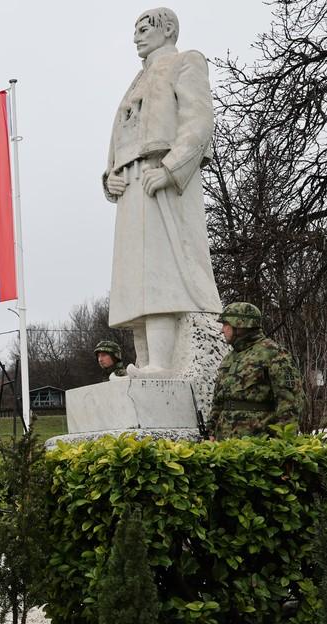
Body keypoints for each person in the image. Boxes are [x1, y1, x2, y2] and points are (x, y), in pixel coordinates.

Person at [102, 8, 221, 374]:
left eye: (143, 29)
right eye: (134, 30)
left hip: (161, 179)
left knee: (162, 274)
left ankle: (165, 364)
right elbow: (122, 137)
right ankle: (149, 361)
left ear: (167, 29)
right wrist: (109, 177)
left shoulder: (186, 62)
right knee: (134, 282)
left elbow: (199, 123)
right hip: (131, 188)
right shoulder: (136, 80)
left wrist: (171, 169)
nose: (136, 37)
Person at [207, 302, 304, 440]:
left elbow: (290, 402)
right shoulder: (230, 358)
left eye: (225, 324)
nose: (222, 330)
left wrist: (281, 442)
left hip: (258, 443)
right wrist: (211, 430)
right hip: (225, 444)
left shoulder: (273, 354)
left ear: (239, 324)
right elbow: (219, 400)